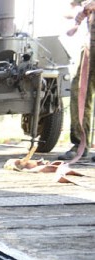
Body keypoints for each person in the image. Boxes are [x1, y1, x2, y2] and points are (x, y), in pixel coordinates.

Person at [58, 0, 95, 160]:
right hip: (90, 48)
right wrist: (80, 10)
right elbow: (68, 9)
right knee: (79, 92)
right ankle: (80, 143)